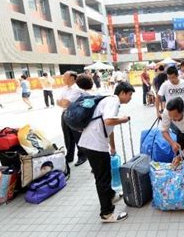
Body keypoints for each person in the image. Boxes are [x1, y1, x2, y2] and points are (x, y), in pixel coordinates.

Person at [78, 82, 135, 223]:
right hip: (94, 145)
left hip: (91, 143)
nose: (130, 98)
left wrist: (113, 147)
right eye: (130, 95)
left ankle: (110, 195)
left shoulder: (108, 100)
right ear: (122, 93)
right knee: (102, 178)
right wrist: (125, 119)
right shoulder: (113, 101)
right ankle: (107, 213)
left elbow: (108, 128)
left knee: (104, 174)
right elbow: (109, 121)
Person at [56, 71, 87, 169]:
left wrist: (63, 102)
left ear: (72, 78)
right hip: (64, 114)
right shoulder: (64, 89)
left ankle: (82, 156)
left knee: (78, 136)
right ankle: (69, 156)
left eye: (65, 77)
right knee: (67, 136)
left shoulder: (77, 89)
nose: (63, 78)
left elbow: (66, 103)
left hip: (75, 115)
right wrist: (63, 103)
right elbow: (58, 101)